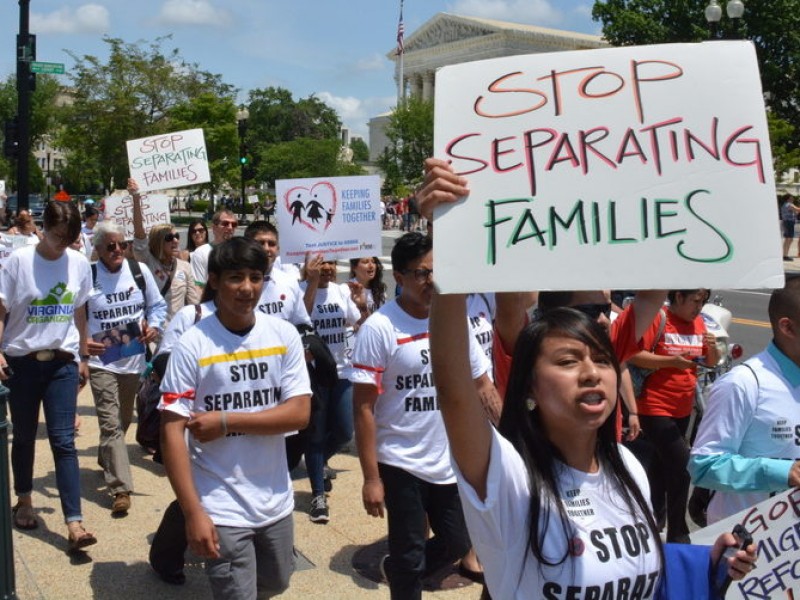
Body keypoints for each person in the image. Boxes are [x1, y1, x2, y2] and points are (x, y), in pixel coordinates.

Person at [429, 293, 757, 598]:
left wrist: (709, 561)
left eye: (602, 360)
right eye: (568, 361)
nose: (591, 373)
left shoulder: (628, 467)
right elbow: (453, 389)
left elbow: (639, 568)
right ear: (529, 386)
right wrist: (452, 279)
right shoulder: (509, 476)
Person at [159, 237, 311, 599]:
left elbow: (300, 413)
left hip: (274, 500)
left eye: (256, 277)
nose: (247, 288)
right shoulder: (193, 344)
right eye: (235, 278)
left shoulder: (283, 335)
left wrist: (227, 421)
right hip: (220, 503)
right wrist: (193, 510)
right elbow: (171, 434)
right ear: (214, 280)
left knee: (276, 582)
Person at [351, 232, 496, 599]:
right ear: (398, 278)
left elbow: (483, 387)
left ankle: (399, 570)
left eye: (437, 271)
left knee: (462, 543)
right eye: (421, 273)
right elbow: (364, 408)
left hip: (450, 460)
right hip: (401, 462)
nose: (432, 280)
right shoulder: (380, 329)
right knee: (409, 552)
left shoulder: (453, 321)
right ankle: (404, 576)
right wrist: (371, 477)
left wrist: (512, 437)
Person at [0, 200, 100, 552]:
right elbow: (1, 310)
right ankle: (24, 499)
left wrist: (83, 356)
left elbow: (79, 311)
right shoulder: (17, 263)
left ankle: (74, 522)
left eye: (70, 238)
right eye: (58, 236)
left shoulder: (78, 263)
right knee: (24, 435)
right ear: (43, 228)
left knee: (63, 441)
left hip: (62, 363)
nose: (64, 244)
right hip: (22, 363)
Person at [689, 276, 800, 524]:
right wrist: (784, 472)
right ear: (788, 327)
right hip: (751, 548)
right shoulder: (743, 383)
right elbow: (704, 466)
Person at [85, 221, 167, 514]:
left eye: (122, 244)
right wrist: (82, 341)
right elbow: (73, 314)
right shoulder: (88, 275)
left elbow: (157, 306)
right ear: (97, 249)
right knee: (110, 423)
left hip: (132, 359)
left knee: (121, 420)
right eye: (111, 246)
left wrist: (154, 327)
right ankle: (120, 488)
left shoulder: (138, 271)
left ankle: (107, 455)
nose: (118, 250)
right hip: (100, 361)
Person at [628, 289, 718, 543]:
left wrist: (711, 350)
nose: (699, 307)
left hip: (683, 407)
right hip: (653, 405)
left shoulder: (699, 323)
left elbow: (709, 363)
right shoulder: (659, 318)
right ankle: (679, 532)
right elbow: (635, 354)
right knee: (682, 466)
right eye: (695, 301)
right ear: (678, 297)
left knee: (660, 464)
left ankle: (654, 518)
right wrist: (670, 362)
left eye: (703, 302)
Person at [302, 253, 366, 523]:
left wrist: (362, 307)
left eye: (331, 263)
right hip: (314, 374)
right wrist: (311, 283)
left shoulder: (341, 291)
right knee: (315, 434)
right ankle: (318, 494)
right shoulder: (302, 291)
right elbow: (299, 319)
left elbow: (358, 323)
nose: (327, 268)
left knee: (343, 430)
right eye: (322, 263)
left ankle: (317, 462)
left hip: (341, 371)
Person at [129, 178, 199, 322]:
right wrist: (136, 198)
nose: (175, 240)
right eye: (169, 238)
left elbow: (194, 301)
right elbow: (139, 235)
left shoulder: (184, 267)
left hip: (178, 334)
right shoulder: (147, 262)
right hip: (153, 336)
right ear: (158, 242)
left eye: (177, 236)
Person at [190, 209, 238, 289]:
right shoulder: (201, 253)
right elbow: (199, 287)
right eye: (225, 223)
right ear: (214, 227)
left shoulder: (241, 251)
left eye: (233, 224)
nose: (230, 227)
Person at [780, 194, 800, 260]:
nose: (793, 198)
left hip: (786, 222)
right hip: (789, 223)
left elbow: (796, 212)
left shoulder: (785, 205)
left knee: (788, 239)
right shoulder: (789, 204)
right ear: (788, 198)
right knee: (789, 239)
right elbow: (798, 210)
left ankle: (784, 254)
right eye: (791, 197)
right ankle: (785, 256)